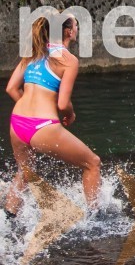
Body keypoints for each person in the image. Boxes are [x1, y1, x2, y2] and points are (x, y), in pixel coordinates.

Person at [3, 15, 101, 219]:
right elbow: (63, 104)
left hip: (17, 122)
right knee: (92, 163)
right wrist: (70, 115)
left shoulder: (33, 52)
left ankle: (8, 219)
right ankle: (95, 219)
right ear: (68, 32)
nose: (77, 28)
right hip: (43, 126)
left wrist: (29, 113)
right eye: (76, 24)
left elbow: (11, 88)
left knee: (25, 170)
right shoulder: (69, 60)